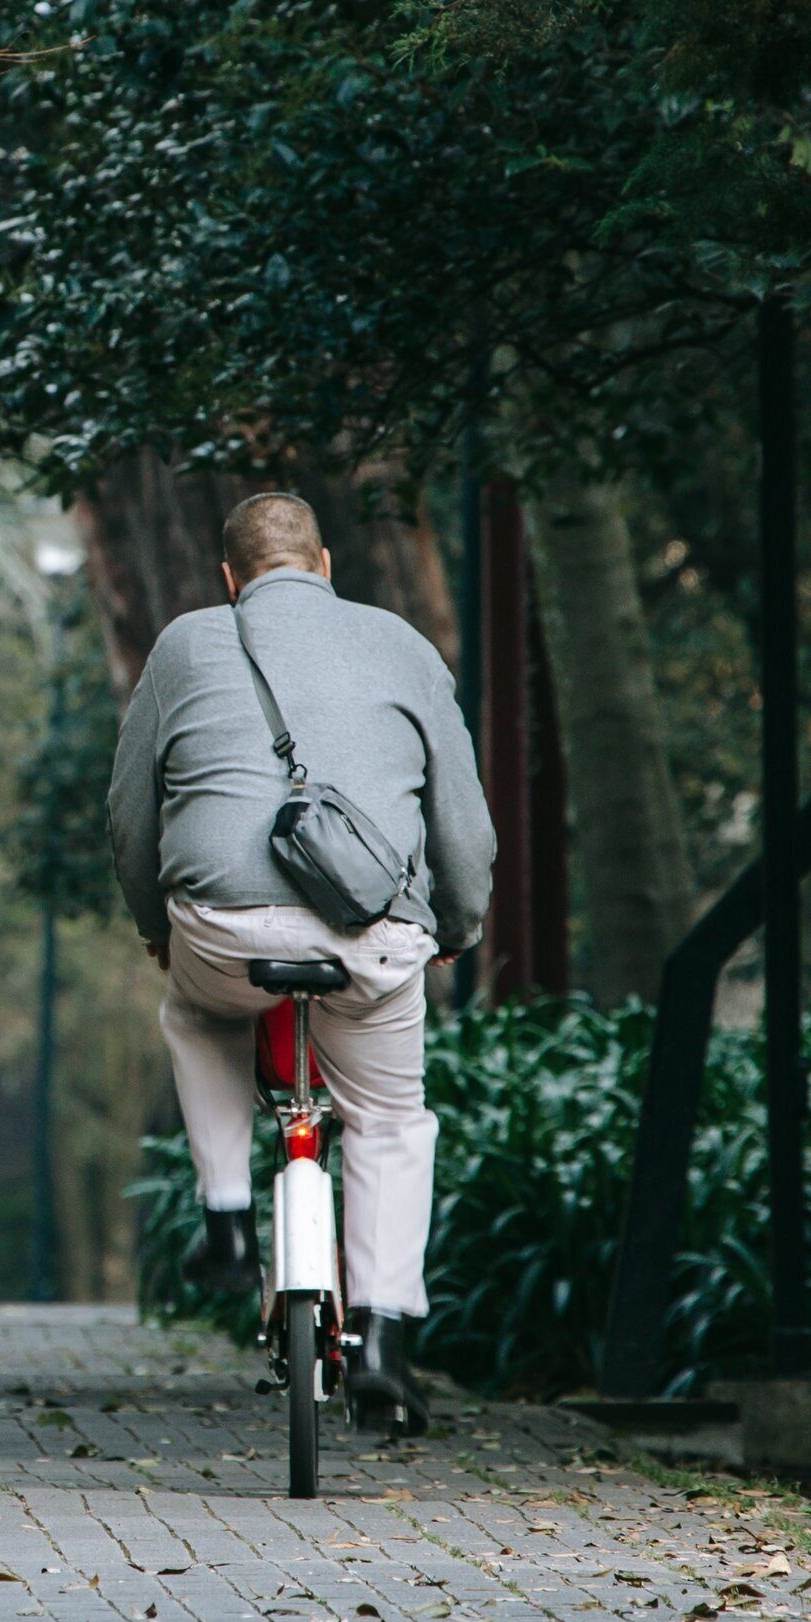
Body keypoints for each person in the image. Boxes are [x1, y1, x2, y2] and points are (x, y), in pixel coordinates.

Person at [104, 490, 493, 1420]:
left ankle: (230, 1221)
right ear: (325, 567)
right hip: (376, 935)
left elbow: (128, 816)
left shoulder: (187, 644)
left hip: (222, 927)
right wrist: (457, 926)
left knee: (197, 1014)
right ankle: (386, 1338)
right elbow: (464, 828)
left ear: (229, 580)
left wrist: (157, 927)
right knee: (393, 1119)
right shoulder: (402, 644)